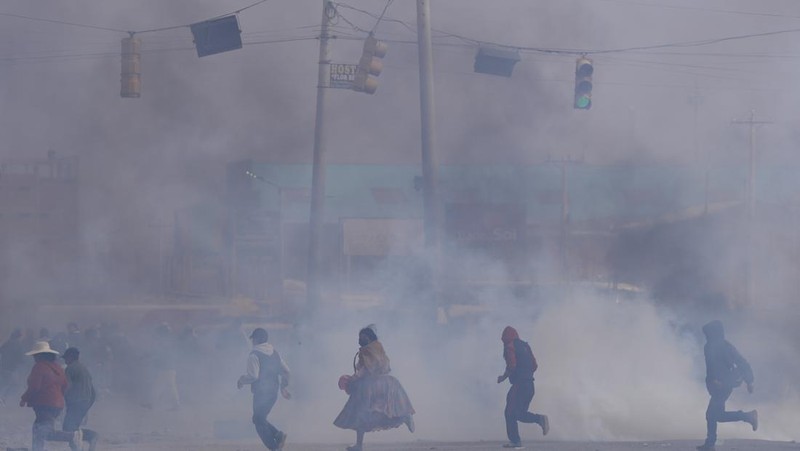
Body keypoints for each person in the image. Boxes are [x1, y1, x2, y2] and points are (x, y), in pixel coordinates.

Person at [334, 325, 415, 451]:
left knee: (363, 414)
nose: (360, 341)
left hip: (372, 387)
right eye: (359, 338)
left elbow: (365, 369)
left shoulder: (367, 351)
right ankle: (403, 418)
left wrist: (352, 379)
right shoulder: (376, 347)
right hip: (378, 384)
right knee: (367, 415)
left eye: (363, 338)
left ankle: (359, 445)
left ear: (369, 338)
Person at [696, 320, 758, 451]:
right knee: (717, 415)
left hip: (724, 385)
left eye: (709, 333)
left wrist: (749, 380)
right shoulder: (709, 347)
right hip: (717, 385)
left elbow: (741, 362)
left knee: (711, 415)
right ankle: (748, 417)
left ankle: (710, 443)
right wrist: (713, 381)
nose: (707, 336)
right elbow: (712, 368)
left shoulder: (724, 346)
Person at [19, 341, 82, 451]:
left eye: (35, 355)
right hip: (56, 404)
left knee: (45, 432)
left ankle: (72, 436)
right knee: (37, 429)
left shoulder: (39, 367)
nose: (34, 358)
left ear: (39, 356)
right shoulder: (58, 368)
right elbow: (65, 386)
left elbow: (34, 386)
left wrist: (24, 398)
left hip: (45, 404)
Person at [237, 328, 290, 451]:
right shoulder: (275, 353)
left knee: (258, 420)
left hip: (261, 393)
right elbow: (286, 371)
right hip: (273, 392)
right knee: (259, 418)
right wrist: (283, 387)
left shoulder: (254, 354)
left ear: (256, 339)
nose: (252, 341)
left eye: (253, 339)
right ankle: (278, 435)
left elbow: (253, 376)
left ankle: (275, 446)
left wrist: (241, 380)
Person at [497, 326, 549, 450]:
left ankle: (516, 441)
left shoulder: (510, 346)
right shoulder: (525, 346)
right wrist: (526, 374)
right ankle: (539, 419)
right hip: (530, 385)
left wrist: (503, 377)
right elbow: (534, 365)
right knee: (518, 413)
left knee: (510, 412)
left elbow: (512, 365)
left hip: (519, 385)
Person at [62, 347, 99, 451]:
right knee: (73, 427)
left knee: (68, 429)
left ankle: (92, 436)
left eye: (66, 358)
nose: (65, 360)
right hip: (84, 402)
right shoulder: (84, 368)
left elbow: (68, 386)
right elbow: (93, 391)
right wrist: (87, 406)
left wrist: (61, 398)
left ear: (71, 357)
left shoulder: (70, 368)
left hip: (75, 402)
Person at [0, 329, 26, 405]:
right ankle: (4, 397)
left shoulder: (7, 342)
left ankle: (3, 397)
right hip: (12, 369)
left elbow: (0, 351)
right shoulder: (18, 344)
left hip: (3, 367)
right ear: (18, 336)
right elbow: (21, 358)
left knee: (4, 383)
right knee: (15, 385)